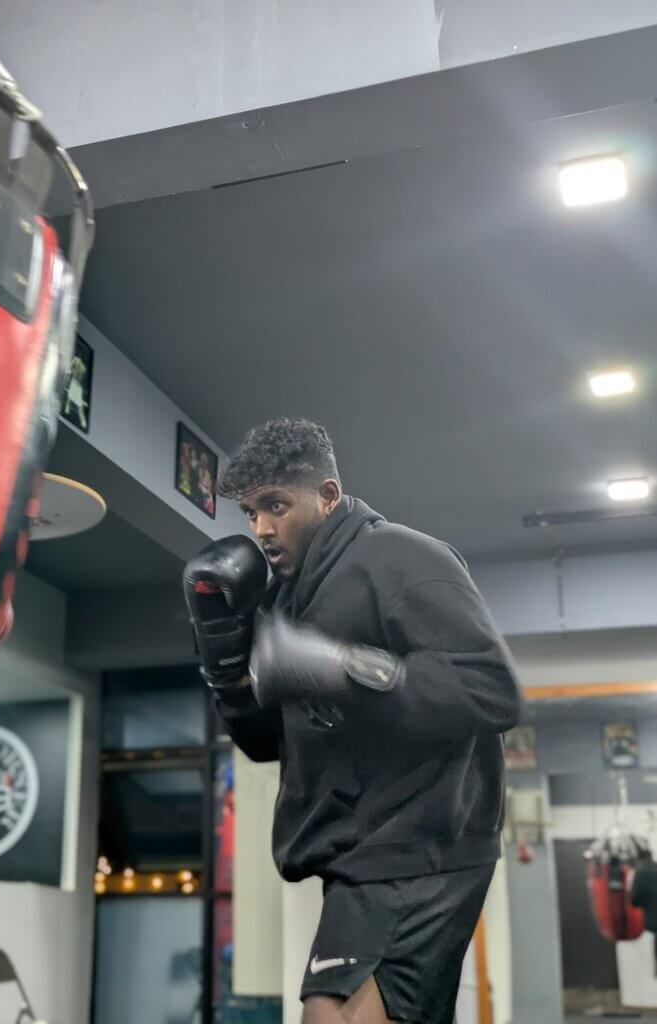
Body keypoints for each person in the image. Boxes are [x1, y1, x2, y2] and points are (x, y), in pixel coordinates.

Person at [183, 418, 522, 1024]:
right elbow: (267, 745)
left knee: (330, 1014)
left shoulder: (402, 557)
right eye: (251, 513)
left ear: (328, 495)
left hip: (420, 848)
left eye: (276, 506)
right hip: (359, 859)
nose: (261, 529)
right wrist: (228, 674)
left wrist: (345, 670)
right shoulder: (286, 599)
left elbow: (492, 690)